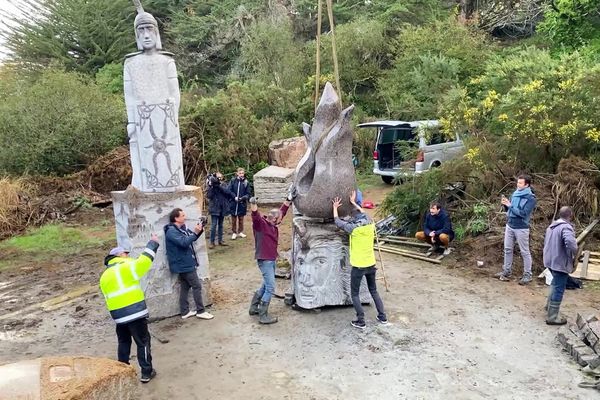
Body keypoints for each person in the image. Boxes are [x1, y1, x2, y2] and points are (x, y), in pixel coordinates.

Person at [124, 3, 184, 192]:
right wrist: (132, 122)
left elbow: (175, 92)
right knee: (142, 165)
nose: (146, 35)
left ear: (157, 33)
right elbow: (130, 96)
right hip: (142, 122)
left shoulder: (167, 61)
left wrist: (173, 117)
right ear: (137, 35)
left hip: (166, 122)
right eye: (141, 31)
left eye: (150, 29)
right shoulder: (131, 63)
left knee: (169, 165)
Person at [100, 235, 160, 383]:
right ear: (119, 255)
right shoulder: (126, 266)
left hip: (118, 316)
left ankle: (122, 371)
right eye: (125, 253)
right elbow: (144, 262)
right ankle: (146, 372)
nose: (128, 255)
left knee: (124, 342)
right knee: (143, 342)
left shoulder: (104, 276)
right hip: (135, 313)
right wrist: (153, 243)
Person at [332, 191, 387, 330]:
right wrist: (354, 203)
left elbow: (337, 222)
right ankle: (382, 317)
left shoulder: (353, 229)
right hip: (370, 263)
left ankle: (361, 321)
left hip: (358, 265)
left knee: (355, 293)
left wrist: (335, 207)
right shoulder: (370, 223)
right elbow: (363, 212)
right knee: (373, 290)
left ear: (353, 218)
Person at [248, 190, 294, 324]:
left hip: (271, 258)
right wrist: (253, 204)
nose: (281, 220)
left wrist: (288, 199)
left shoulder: (272, 222)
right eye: (279, 219)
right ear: (274, 219)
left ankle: (253, 308)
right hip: (265, 260)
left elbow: (282, 211)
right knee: (270, 287)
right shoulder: (261, 225)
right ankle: (263, 315)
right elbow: (255, 216)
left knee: (265, 284)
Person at [164, 208, 214, 320]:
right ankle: (201, 311)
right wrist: (195, 232)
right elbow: (184, 243)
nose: (184, 217)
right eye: (182, 215)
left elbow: (192, 237)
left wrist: (200, 229)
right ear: (176, 218)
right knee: (196, 286)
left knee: (185, 287)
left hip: (184, 263)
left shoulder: (180, 229)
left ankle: (184, 311)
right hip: (183, 264)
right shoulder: (171, 231)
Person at [495, 174, 537, 285]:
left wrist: (510, 206)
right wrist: (505, 204)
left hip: (522, 227)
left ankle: (528, 274)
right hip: (510, 225)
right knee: (507, 249)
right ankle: (506, 271)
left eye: (520, 183)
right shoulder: (515, 194)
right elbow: (510, 210)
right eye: (517, 182)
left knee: (524, 251)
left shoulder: (531, 198)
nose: (517, 184)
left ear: (526, 184)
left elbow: (523, 214)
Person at [543, 206, 578, 325]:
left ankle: (548, 307)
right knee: (559, 288)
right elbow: (570, 243)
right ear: (570, 215)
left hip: (550, 260)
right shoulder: (566, 227)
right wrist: (575, 252)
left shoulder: (552, 226)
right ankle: (552, 317)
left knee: (555, 283)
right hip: (560, 262)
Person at [206, 172, 235, 249]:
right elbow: (209, 196)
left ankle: (220, 240)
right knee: (213, 225)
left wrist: (218, 186)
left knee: (221, 225)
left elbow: (227, 192)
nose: (218, 179)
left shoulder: (224, 184)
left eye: (220, 177)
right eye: (217, 177)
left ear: (222, 177)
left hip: (222, 208)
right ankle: (212, 242)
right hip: (214, 208)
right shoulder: (211, 186)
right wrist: (210, 186)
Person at [228, 167, 252, 240]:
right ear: (237, 173)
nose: (241, 174)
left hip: (242, 203)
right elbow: (229, 191)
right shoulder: (233, 181)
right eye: (240, 173)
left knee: (241, 219)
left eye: (243, 173)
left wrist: (243, 198)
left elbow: (248, 193)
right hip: (233, 203)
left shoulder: (246, 182)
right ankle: (234, 233)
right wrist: (234, 197)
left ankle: (240, 231)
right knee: (234, 220)